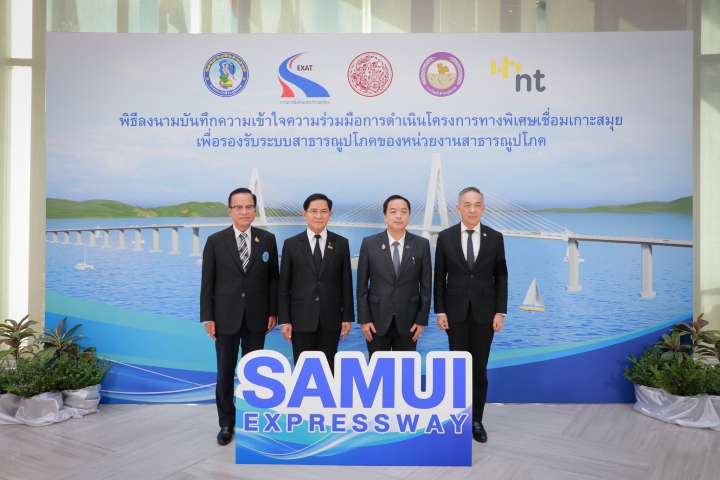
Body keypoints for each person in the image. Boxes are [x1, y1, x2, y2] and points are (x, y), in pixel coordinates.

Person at [200, 187, 279, 446]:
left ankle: (251, 418)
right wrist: (208, 317)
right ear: (230, 211)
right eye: (239, 207)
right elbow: (207, 282)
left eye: (249, 207)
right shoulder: (215, 241)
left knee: (254, 371)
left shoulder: (267, 240)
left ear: (255, 210)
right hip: (225, 317)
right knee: (225, 372)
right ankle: (226, 423)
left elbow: (273, 279)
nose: (244, 211)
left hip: (258, 317)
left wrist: (273, 311)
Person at [434, 187, 508, 444]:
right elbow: (439, 277)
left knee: (478, 369)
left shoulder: (495, 237)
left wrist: (500, 312)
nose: (472, 209)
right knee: (457, 368)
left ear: (483, 208)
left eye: (477, 205)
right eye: (467, 205)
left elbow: (501, 276)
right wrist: (440, 310)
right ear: (458, 208)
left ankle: (476, 420)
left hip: (485, 314)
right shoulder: (445, 237)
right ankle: (456, 418)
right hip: (454, 314)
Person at [278, 193, 353, 372]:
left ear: (330, 214)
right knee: (303, 371)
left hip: (331, 319)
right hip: (300, 320)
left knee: (329, 371)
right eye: (313, 211)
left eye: (323, 211)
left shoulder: (341, 243)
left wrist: (347, 317)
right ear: (304, 214)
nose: (318, 216)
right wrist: (285, 320)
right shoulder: (291, 244)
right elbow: (284, 286)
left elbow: (346, 283)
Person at [356, 195, 431, 357]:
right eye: (393, 211)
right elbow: (361, 287)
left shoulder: (421, 244)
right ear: (385, 216)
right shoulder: (369, 243)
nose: (398, 216)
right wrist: (364, 319)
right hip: (376, 322)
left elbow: (426, 287)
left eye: (403, 212)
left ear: (409, 216)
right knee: (379, 369)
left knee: (405, 370)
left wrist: (421, 320)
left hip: (409, 322)